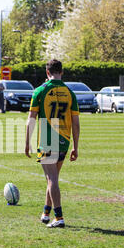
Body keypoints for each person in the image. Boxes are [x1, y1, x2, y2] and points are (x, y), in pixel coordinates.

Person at [25, 59, 80, 228]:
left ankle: (59, 217)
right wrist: (75, 147)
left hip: (47, 140)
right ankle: (46, 213)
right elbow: (76, 123)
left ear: (47, 73)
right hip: (64, 140)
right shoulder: (70, 93)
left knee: (51, 179)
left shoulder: (40, 91)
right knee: (52, 179)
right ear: (61, 72)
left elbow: (31, 120)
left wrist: (27, 143)